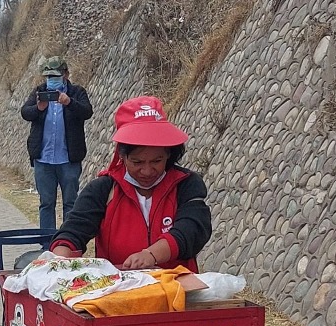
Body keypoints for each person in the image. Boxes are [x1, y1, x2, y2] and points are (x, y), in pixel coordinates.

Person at [49, 96, 212, 273]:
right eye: (137, 162)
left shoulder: (186, 184)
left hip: (178, 290)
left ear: (169, 155)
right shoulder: (103, 189)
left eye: (157, 161)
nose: (147, 171)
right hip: (118, 290)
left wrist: (152, 255)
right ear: (122, 156)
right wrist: (59, 259)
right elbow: (74, 229)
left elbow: (193, 229)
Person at [20, 56, 93, 233]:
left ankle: (68, 239)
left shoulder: (77, 92)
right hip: (44, 159)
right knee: (46, 203)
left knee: (70, 202)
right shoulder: (39, 92)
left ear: (66, 74)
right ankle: (46, 242)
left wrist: (69, 102)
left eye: (55, 76)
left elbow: (87, 112)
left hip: (68, 159)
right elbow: (25, 112)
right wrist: (39, 108)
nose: (51, 80)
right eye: (48, 77)